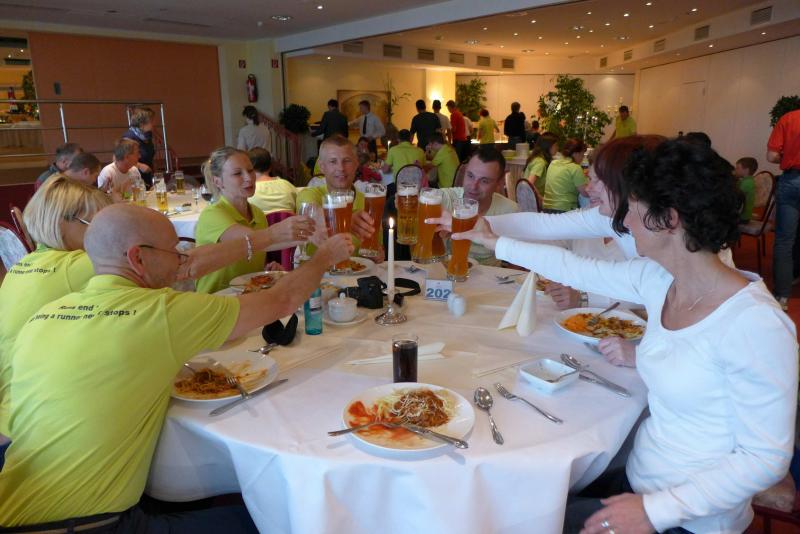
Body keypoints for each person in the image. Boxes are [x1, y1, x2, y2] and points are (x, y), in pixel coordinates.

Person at [455, 139, 797, 534]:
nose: (624, 223)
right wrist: (493, 241)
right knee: (517, 504)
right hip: (639, 480)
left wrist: (655, 511)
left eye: (632, 209)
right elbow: (573, 268)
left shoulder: (755, 324)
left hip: (689, 519)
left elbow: (765, 458)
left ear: (668, 219)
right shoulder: (661, 280)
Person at [0, 202, 353, 531]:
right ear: (138, 257)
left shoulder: (44, 316)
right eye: (175, 251)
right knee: (281, 516)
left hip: (13, 502)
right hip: (89, 524)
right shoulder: (160, 313)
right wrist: (324, 257)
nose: (182, 260)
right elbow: (282, 299)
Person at [0, 176, 113, 440]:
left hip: (11, 411)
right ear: (63, 223)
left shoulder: (23, 266)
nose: (106, 233)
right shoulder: (80, 264)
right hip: (34, 428)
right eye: (97, 224)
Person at [195, 147, 313, 293]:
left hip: (247, 296)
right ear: (218, 182)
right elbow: (250, 242)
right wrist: (308, 234)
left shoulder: (257, 213)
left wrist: (266, 271)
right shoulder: (212, 215)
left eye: (250, 171)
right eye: (237, 173)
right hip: (216, 298)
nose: (248, 178)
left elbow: (250, 256)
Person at [434, 145, 518, 266]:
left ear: (499, 182)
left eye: (484, 181)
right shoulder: (447, 199)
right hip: (448, 272)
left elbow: (517, 262)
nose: (473, 186)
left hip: (490, 275)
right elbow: (420, 200)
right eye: (470, 176)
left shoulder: (510, 210)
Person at [296, 135, 376, 258]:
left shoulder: (368, 201)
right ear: (322, 167)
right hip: (318, 270)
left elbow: (374, 247)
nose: (341, 168)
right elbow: (311, 214)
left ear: (356, 164)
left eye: (347, 161)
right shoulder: (309, 194)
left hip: (357, 269)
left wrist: (377, 254)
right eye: (333, 161)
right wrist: (347, 221)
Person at [767, 105, 800, 311]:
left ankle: (782, 296)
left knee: (784, 241)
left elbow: (772, 156)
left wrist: (787, 155)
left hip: (792, 181)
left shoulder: (789, 118)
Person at [247, 148, 297, 215]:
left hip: (262, 222)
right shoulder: (287, 185)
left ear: (249, 168)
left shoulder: (248, 191)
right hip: (290, 221)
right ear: (271, 166)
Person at [542, 139, 588, 213]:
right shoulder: (575, 167)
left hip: (546, 209)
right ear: (576, 153)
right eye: (582, 155)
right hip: (564, 210)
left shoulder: (553, 163)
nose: (582, 158)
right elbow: (585, 193)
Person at [122, 107, 156, 187]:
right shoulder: (129, 137)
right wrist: (140, 165)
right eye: (151, 121)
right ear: (141, 124)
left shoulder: (147, 135)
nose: (154, 123)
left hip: (147, 176)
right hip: (134, 178)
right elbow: (122, 158)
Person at [734, 157, 757, 223]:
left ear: (746, 170)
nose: (735, 170)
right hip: (743, 216)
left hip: (742, 217)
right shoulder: (745, 181)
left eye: (738, 168)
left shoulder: (747, 183)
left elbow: (735, 197)